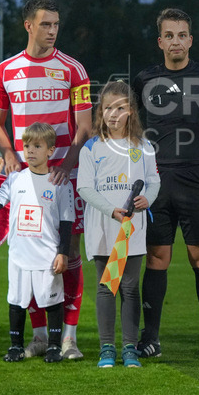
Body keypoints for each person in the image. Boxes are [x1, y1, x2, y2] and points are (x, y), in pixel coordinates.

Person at [131, 8, 199, 361]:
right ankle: (150, 338)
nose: (176, 41)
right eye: (169, 35)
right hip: (156, 181)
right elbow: (125, 116)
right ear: (160, 41)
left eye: (182, 35)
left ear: (190, 40)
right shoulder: (144, 79)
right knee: (157, 258)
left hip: (197, 177)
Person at [0, 0, 91, 359]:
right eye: (45, 24)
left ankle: (69, 338)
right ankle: (38, 336)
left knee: (69, 252)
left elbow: (84, 126)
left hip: (63, 178)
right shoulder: (5, 70)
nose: (52, 31)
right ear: (28, 25)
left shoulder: (73, 69)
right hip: (23, 178)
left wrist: (68, 163)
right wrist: (8, 153)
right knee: (27, 251)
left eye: (56, 25)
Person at [78, 81, 160, 368]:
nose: (113, 114)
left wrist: (148, 199)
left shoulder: (143, 146)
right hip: (102, 226)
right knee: (106, 287)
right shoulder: (91, 147)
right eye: (108, 108)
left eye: (120, 108)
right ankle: (106, 348)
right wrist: (110, 210)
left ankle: (129, 348)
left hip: (132, 228)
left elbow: (153, 181)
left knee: (129, 287)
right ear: (101, 111)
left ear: (131, 111)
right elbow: (84, 188)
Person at [0, 122, 73, 364]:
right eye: (26, 146)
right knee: (16, 301)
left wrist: (63, 253)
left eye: (37, 146)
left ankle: (54, 346)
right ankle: (15, 346)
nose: (30, 151)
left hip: (47, 255)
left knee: (52, 301)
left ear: (50, 150)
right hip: (19, 255)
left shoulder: (60, 182)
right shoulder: (15, 179)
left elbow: (67, 221)